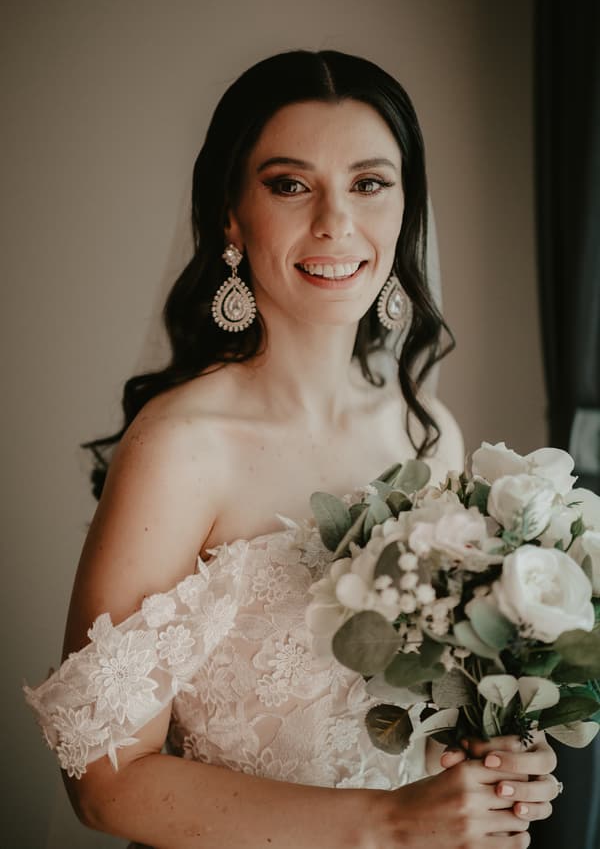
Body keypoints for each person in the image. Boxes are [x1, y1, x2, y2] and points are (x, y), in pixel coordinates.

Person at [25, 50, 560, 849]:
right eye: (290, 184)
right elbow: (104, 783)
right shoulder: (181, 449)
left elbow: (429, 705)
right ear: (232, 216)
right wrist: (388, 823)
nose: (336, 222)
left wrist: (489, 755)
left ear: (405, 208)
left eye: (369, 183)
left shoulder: (427, 432)